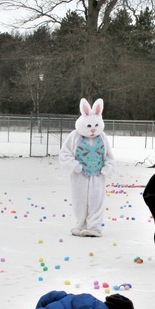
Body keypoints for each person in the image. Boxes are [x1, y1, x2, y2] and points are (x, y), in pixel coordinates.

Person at [59, 98, 116, 237]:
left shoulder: (102, 137)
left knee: (96, 200)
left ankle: (94, 227)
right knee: (79, 200)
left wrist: (107, 168)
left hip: (97, 174)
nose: (92, 129)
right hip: (80, 175)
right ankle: (81, 225)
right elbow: (65, 154)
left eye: (95, 125)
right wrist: (76, 166)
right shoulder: (74, 136)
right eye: (89, 126)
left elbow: (109, 156)